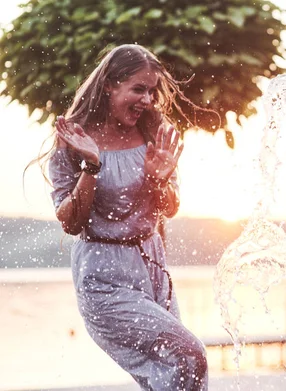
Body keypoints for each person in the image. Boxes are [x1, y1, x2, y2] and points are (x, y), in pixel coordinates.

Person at [41, 44, 209, 390]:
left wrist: (159, 180)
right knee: (191, 354)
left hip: (152, 264)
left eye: (151, 91)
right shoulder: (75, 140)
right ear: (109, 85)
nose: (147, 100)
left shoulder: (153, 129)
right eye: (138, 89)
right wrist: (91, 165)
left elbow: (170, 208)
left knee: (173, 373)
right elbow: (72, 223)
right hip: (103, 275)